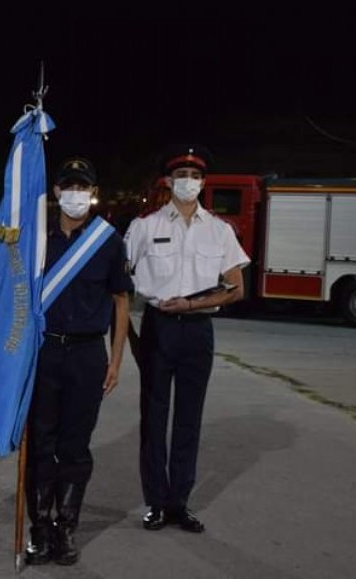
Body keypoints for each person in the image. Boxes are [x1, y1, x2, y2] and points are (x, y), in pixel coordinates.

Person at [124, 145, 250, 533]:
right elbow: (118, 282)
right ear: (167, 181)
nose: (189, 182)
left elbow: (236, 288)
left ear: (204, 182)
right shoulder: (145, 227)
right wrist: (127, 333)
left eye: (195, 177)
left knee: (189, 420)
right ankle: (156, 502)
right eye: (181, 175)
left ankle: (180, 501)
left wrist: (194, 306)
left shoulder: (219, 230)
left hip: (198, 330)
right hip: (159, 327)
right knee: (154, 417)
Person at [24, 157, 133, 566]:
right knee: (41, 442)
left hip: (88, 353)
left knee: (75, 445)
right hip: (44, 351)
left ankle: (65, 527)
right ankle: (38, 526)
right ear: (55, 193)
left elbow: (121, 302)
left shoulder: (108, 241)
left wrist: (116, 360)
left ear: (93, 193)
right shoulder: (36, 238)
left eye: (82, 187)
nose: (75, 195)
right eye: (68, 187)